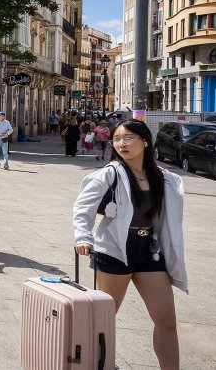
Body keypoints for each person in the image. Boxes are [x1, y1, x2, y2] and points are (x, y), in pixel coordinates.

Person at [73, 120, 186, 370]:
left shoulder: (163, 177)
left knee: (166, 319)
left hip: (149, 250)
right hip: (113, 249)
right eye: (117, 139)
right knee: (105, 317)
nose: (121, 144)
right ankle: (100, 364)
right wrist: (83, 237)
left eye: (129, 138)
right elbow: (83, 208)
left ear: (145, 141)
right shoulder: (109, 174)